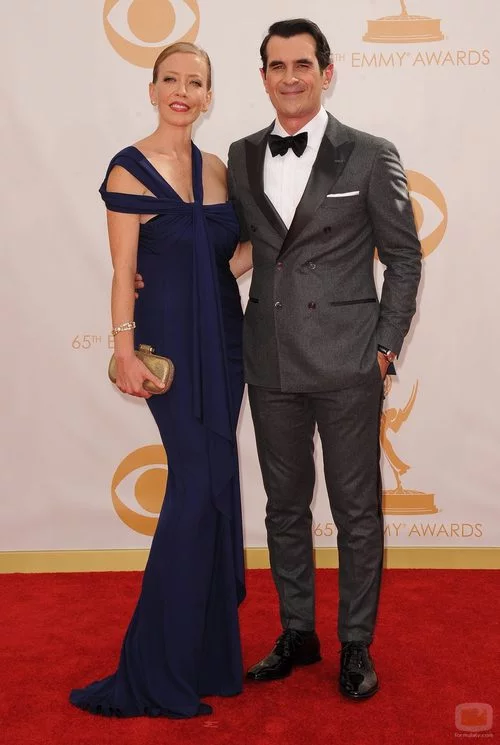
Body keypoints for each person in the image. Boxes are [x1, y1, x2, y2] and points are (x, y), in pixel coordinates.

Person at [226, 19, 421, 700]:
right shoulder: (241, 154)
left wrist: (385, 346)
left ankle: (355, 642)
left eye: (302, 64)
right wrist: (157, 274)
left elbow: (403, 256)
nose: (290, 77)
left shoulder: (369, 154)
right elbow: (238, 248)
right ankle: (297, 631)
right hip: (269, 360)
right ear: (263, 77)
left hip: (348, 363)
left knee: (356, 509)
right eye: (277, 66)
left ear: (326, 72)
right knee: (283, 507)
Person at [70, 42, 252, 719]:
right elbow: (124, 271)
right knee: (195, 487)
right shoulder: (129, 166)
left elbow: (226, 262)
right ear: (152, 90)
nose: (182, 91)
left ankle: (205, 658)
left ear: (208, 96)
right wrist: (124, 351)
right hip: (169, 345)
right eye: (171, 80)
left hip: (224, 341)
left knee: (213, 489)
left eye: (195, 82)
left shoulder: (218, 169)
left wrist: (291, 234)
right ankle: (155, 666)